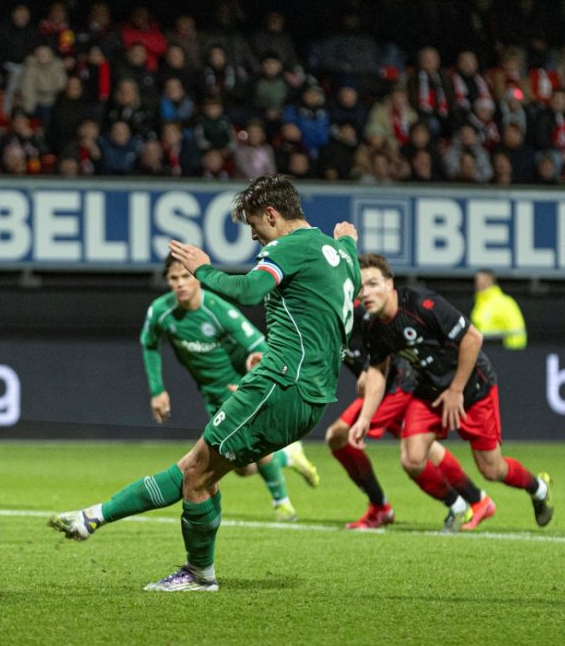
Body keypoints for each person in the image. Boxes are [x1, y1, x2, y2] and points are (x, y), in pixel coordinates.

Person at [50, 175, 361, 591]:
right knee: (199, 470)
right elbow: (351, 273)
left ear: (272, 214)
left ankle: (198, 574)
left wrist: (202, 268)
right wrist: (348, 242)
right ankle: (93, 517)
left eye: (254, 225)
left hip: (281, 383)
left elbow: (249, 289)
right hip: (312, 395)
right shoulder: (340, 255)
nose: (254, 236)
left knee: (196, 473)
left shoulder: (288, 247)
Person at [350, 254, 552, 532]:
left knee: (492, 469)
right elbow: (376, 372)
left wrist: (456, 389)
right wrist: (365, 418)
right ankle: (458, 507)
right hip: (430, 391)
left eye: (373, 284)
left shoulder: (422, 304)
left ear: (389, 284)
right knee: (412, 459)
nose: (366, 293)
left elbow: (473, 337)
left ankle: (538, 488)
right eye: (361, 287)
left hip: (472, 388)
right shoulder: (373, 326)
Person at [142, 254, 321, 522]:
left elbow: (262, 347)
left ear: (197, 278)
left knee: (256, 448)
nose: (180, 283)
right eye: (174, 278)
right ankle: (288, 457)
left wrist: (253, 381)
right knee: (241, 467)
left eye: (186, 276)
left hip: (237, 388)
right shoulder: (161, 311)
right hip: (211, 394)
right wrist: (157, 390)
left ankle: (283, 505)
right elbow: (149, 343)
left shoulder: (219, 311)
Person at [325, 302, 495, 532]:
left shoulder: (356, 308)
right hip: (384, 387)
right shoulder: (317, 316)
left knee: (340, 435)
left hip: (397, 382)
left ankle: (383, 507)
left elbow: (392, 337)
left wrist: (369, 371)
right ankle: (477, 499)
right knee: (421, 448)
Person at [471, 269, 527, 350]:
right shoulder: (479, 304)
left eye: (483, 280)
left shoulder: (505, 302)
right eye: (477, 281)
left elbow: (517, 330)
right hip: (483, 353)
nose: (478, 284)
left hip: (502, 353)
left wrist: (513, 353)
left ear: (491, 281)